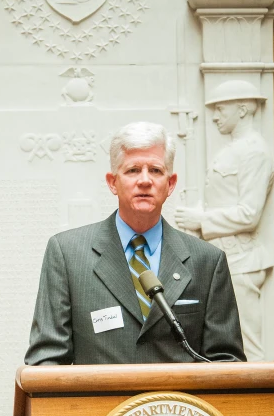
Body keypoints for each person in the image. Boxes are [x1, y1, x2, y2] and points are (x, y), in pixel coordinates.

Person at [25, 121, 245, 365]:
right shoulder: (67, 254)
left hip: (176, 403)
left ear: (170, 184)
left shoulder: (208, 260)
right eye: (132, 170)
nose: (144, 180)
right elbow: (46, 360)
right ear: (112, 182)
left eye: (155, 170)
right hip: (100, 404)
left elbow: (227, 362)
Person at [175, 80, 274, 361]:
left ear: (242, 109)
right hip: (224, 259)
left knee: (249, 348)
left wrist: (201, 219)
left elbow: (250, 214)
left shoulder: (255, 152)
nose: (215, 116)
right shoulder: (233, 149)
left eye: (221, 109)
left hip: (242, 261)